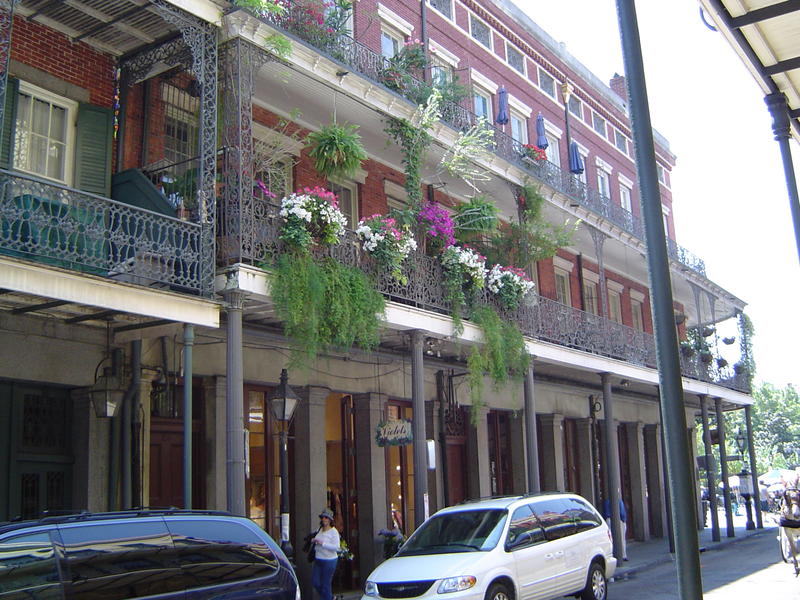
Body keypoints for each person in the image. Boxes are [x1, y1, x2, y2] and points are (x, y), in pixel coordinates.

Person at [311, 507, 340, 600]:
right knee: (315, 582)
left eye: (326, 518)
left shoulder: (334, 532)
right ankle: (330, 598)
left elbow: (336, 547)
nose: (324, 519)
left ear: (330, 520)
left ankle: (328, 598)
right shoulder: (319, 529)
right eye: (323, 517)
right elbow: (316, 539)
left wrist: (322, 543)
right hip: (318, 558)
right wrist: (313, 541)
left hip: (329, 560)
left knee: (325, 584)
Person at [603, 497, 628, 561]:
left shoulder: (607, 502)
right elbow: (622, 513)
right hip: (618, 520)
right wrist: (624, 520)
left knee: (611, 539)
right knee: (621, 538)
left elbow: (605, 512)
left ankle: (612, 554)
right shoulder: (619, 501)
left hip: (608, 520)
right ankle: (623, 555)